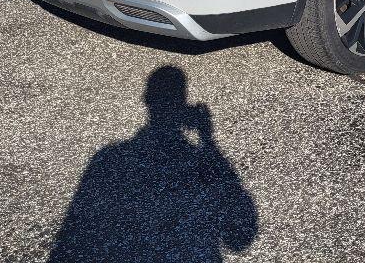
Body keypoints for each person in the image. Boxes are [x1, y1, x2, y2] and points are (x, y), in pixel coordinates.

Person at [48, 65, 259, 262]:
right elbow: (239, 238)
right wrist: (207, 139)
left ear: (147, 99)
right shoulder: (112, 156)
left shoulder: (108, 156)